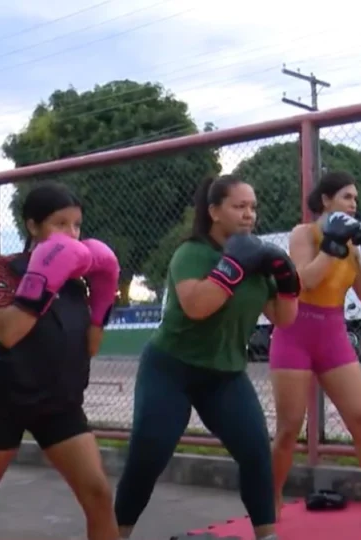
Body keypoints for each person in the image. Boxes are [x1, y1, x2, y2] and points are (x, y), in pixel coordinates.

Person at [0, 182, 121, 540]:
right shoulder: (6, 269)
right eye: (60, 224)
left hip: (60, 404)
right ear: (33, 226)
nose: (71, 234)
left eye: (77, 225)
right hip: (8, 401)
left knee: (98, 495)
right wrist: (45, 278)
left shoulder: (78, 282)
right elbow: (7, 333)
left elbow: (90, 348)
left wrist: (103, 294)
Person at [114, 175, 300, 540]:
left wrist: (289, 281)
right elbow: (198, 306)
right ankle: (117, 534)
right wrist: (233, 267)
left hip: (225, 375)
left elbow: (284, 318)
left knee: (256, 453)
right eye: (239, 206)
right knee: (148, 455)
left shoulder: (259, 259)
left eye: (252, 207)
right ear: (214, 211)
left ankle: (267, 535)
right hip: (171, 369)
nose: (249, 215)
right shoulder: (192, 254)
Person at [267, 171, 361, 529]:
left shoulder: (350, 246)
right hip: (295, 334)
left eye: (355, 199)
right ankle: (270, 502)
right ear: (327, 200)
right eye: (347, 197)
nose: (354, 204)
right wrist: (332, 245)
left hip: (333, 334)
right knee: (288, 428)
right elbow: (302, 283)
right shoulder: (305, 234)